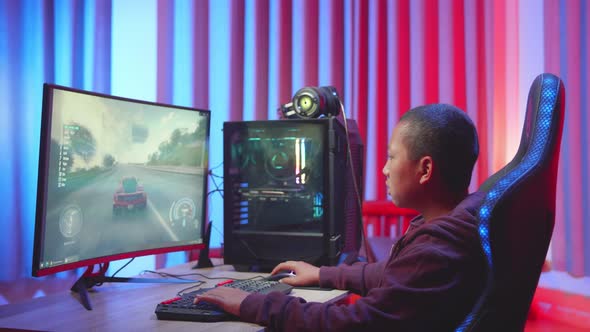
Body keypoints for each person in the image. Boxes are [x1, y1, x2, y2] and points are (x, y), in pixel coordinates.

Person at [196, 104, 487, 331]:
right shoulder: (454, 223)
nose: (385, 169)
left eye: (392, 157)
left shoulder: (436, 250)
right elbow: (395, 273)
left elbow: (354, 323)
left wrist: (253, 304)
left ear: (425, 170)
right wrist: (323, 274)